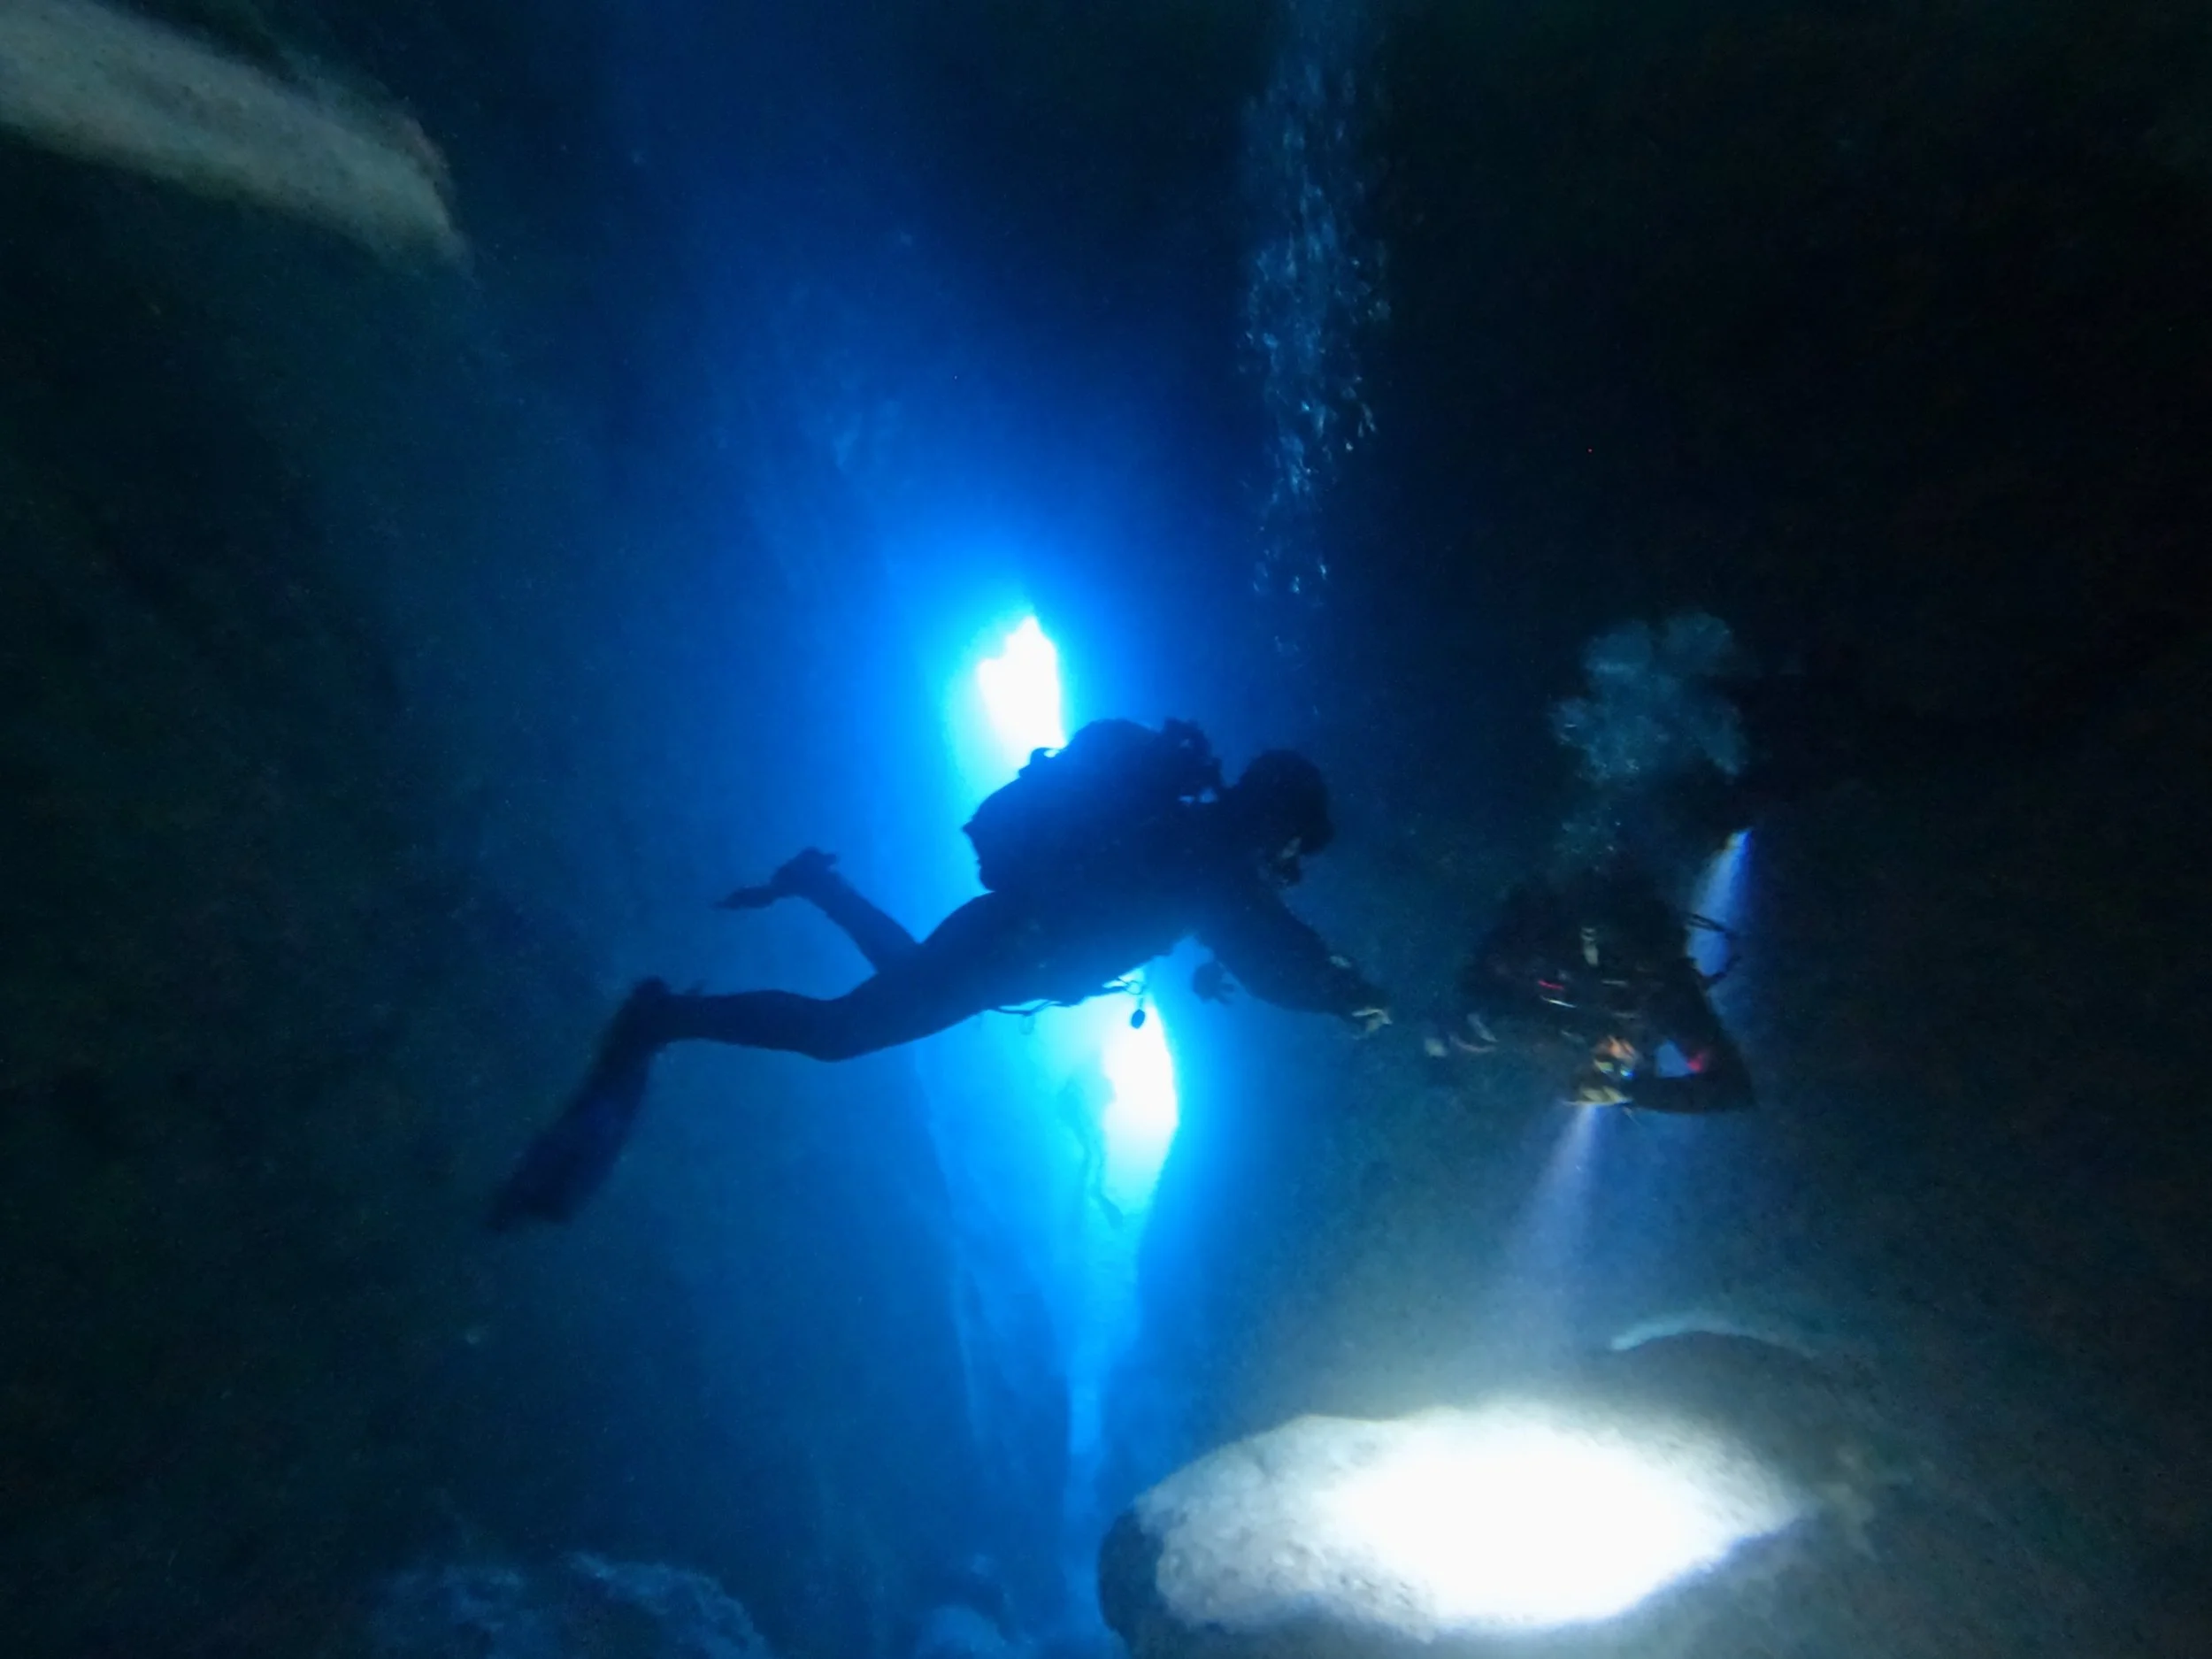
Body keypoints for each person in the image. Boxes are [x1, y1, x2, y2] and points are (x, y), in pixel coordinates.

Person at [493, 719, 1390, 1226]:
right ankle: (661, 1019)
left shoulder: (1195, 842)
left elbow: (1257, 934)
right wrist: (1350, 992)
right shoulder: (1211, 861)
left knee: (901, 983)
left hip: (1006, 944)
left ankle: (818, 882)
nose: (1285, 864)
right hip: (1010, 950)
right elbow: (1270, 954)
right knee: (839, 1035)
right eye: (1291, 846)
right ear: (1273, 819)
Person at [1429, 855, 1753, 1115]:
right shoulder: (1540, 953)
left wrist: (1628, 1090)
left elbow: (1730, 1087)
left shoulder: (1664, 988)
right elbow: (1466, 1018)